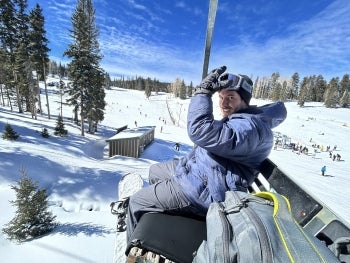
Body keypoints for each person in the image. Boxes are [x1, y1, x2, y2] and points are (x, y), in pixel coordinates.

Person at [126, 66, 287, 242]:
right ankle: (160, 218)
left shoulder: (249, 128)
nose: (224, 103)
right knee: (155, 171)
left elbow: (200, 130)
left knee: (137, 202)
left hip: (204, 193)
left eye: (231, 97)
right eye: (221, 97)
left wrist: (202, 93)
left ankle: (136, 245)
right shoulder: (243, 119)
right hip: (201, 176)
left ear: (245, 101)